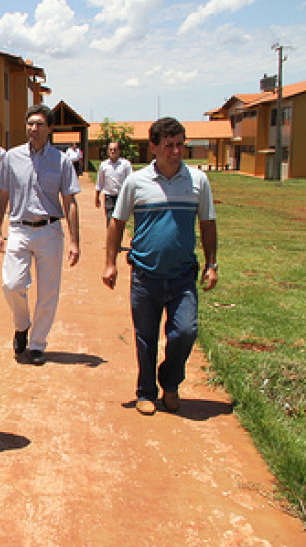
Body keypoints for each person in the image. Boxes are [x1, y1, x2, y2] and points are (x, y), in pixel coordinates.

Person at [102, 117, 218, 416]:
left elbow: (207, 223)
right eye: (169, 145)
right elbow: (117, 222)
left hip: (182, 275)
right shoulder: (136, 182)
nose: (176, 151)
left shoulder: (198, 181)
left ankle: (170, 382)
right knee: (146, 337)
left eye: (180, 145)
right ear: (153, 147)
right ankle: (146, 391)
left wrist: (211, 264)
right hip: (145, 275)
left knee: (185, 332)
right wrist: (110, 263)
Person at [0, 104, 81, 365]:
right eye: (30, 123)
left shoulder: (61, 161)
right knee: (11, 284)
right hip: (19, 228)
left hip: (50, 230)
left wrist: (74, 241)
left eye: (40, 124)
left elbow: (70, 201)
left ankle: (37, 344)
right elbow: (2, 196)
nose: (34, 128)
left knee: (48, 291)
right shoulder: (12, 157)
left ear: (50, 128)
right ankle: (22, 325)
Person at [94, 141, 132, 226]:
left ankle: (119, 234)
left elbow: (130, 181)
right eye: (110, 149)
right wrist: (97, 197)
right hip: (109, 196)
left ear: (119, 151)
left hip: (121, 196)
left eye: (115, 149)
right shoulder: (104, 165)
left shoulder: (126, 164)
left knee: (120, 220)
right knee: (110, 219)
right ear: (108, 151)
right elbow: (99, 183)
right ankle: (110, 234)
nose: (112, 151)